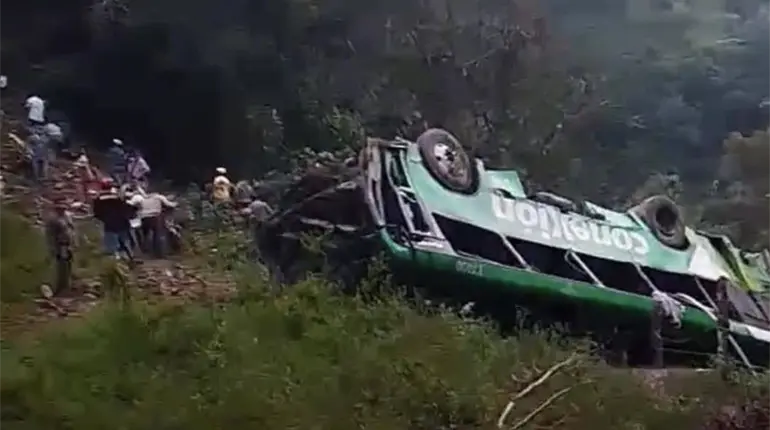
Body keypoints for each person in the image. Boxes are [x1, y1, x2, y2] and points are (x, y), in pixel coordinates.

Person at [92, 178, 134, 261]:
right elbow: (125, 207)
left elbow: (97, 213)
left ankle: (116, 260)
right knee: (125, 242)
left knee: (111, 245)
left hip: (109, 224)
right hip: (122, 223)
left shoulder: (98, 198)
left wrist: (103, 219)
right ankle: (129, 258)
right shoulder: (118, 196)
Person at [44, 199, 75, 295]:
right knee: (61, 266)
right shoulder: (53, 219)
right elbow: (50, 235)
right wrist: (52, 247)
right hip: (60, 245)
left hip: (69, 244)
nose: (62, 209)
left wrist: (74, 243)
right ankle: (60, 287)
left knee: (68, 266)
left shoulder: (68, 217)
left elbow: (72, 230)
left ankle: (67, 286)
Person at [138, 191, 177, 257]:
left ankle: (144, 250)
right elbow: (169, 204)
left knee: (145, 235)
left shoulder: (142, 198)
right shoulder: (159, 197)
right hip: (155, 217)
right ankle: (158, 253)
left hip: (144, 218)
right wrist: (176, 204)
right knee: (157, 235)